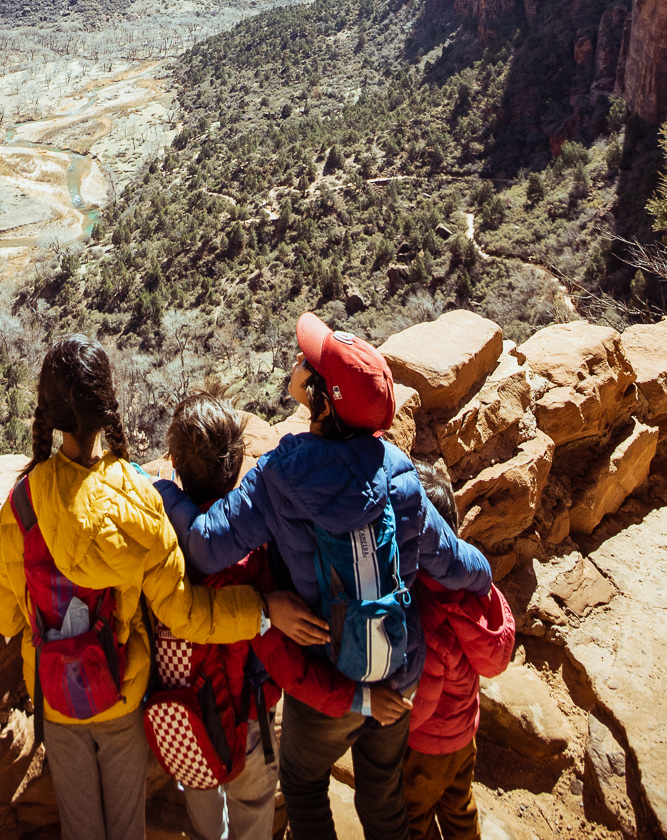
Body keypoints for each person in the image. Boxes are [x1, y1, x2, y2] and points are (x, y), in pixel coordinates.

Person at [0, 336, 321, 840]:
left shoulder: (23, 505)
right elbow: (185, 614)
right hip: (122, 691)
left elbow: (6, 616)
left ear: (49, 412)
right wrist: (260, 609)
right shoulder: (140, 500)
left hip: (57, 699)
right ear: (107, 406)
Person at [175, 314, 494, 840]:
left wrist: (163, 494)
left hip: (329, 678)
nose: (300, 360)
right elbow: (457, 564)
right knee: (383, 793)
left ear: (322, 398)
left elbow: (208, 548)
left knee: (302, 784)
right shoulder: (398, 473)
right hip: (398, 669)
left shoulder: (280, 475)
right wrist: (488, 587)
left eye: (310, 363)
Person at [154, 394, 366, 840]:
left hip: (187, 708)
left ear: (173, 460)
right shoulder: (250, 557)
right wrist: (357, 699)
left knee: (201, 792)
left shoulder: (158, 534)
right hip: (249, 714)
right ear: (235, 470)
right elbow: (285, 661)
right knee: (252, 807)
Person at [402, 465, 515, 840]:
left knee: (412, 817)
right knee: (460, 806)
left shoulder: (425, 608)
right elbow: (493, 653)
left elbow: (423, 697)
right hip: (465, 732)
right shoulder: (473, 588)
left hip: (427, 746)